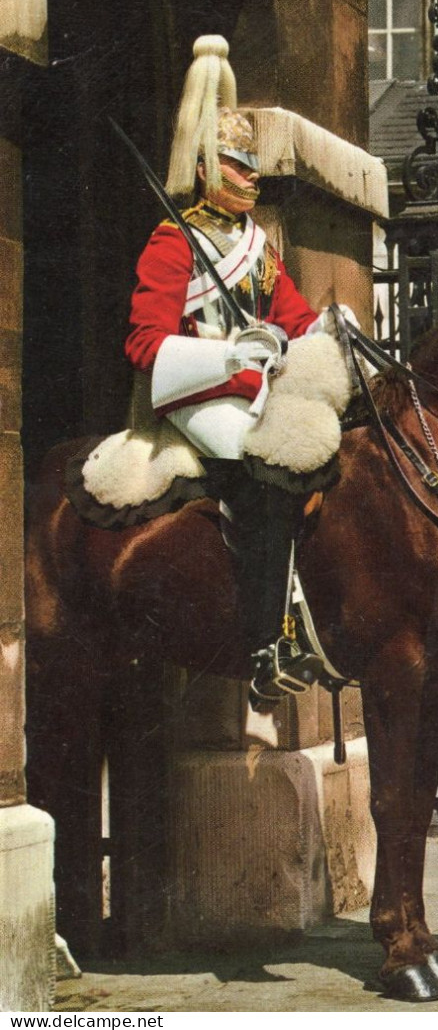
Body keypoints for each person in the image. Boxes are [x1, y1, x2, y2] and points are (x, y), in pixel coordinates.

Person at [125, 35, 351, 699]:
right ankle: (262, 647)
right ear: (205, 166)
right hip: (200, 396)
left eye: (253, 166)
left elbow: (296, 316)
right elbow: (145, 344)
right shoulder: (173, 243)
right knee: (265, 475)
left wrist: (331, 332)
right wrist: (228, 353)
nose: (252, 177)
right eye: (237, 164)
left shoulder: (256, 247)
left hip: (254, 391)